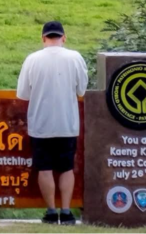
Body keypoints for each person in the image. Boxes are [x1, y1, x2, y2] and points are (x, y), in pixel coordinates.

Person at [16, 21, 89, 225]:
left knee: (45, 168)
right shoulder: (75, 58)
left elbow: (23, 93)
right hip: (67, 123)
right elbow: (81, 90)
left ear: (43, 38)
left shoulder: (32, 59)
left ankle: (50, 211)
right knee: (66, 168)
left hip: (40, 123)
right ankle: (66, 212)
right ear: (64, 37)